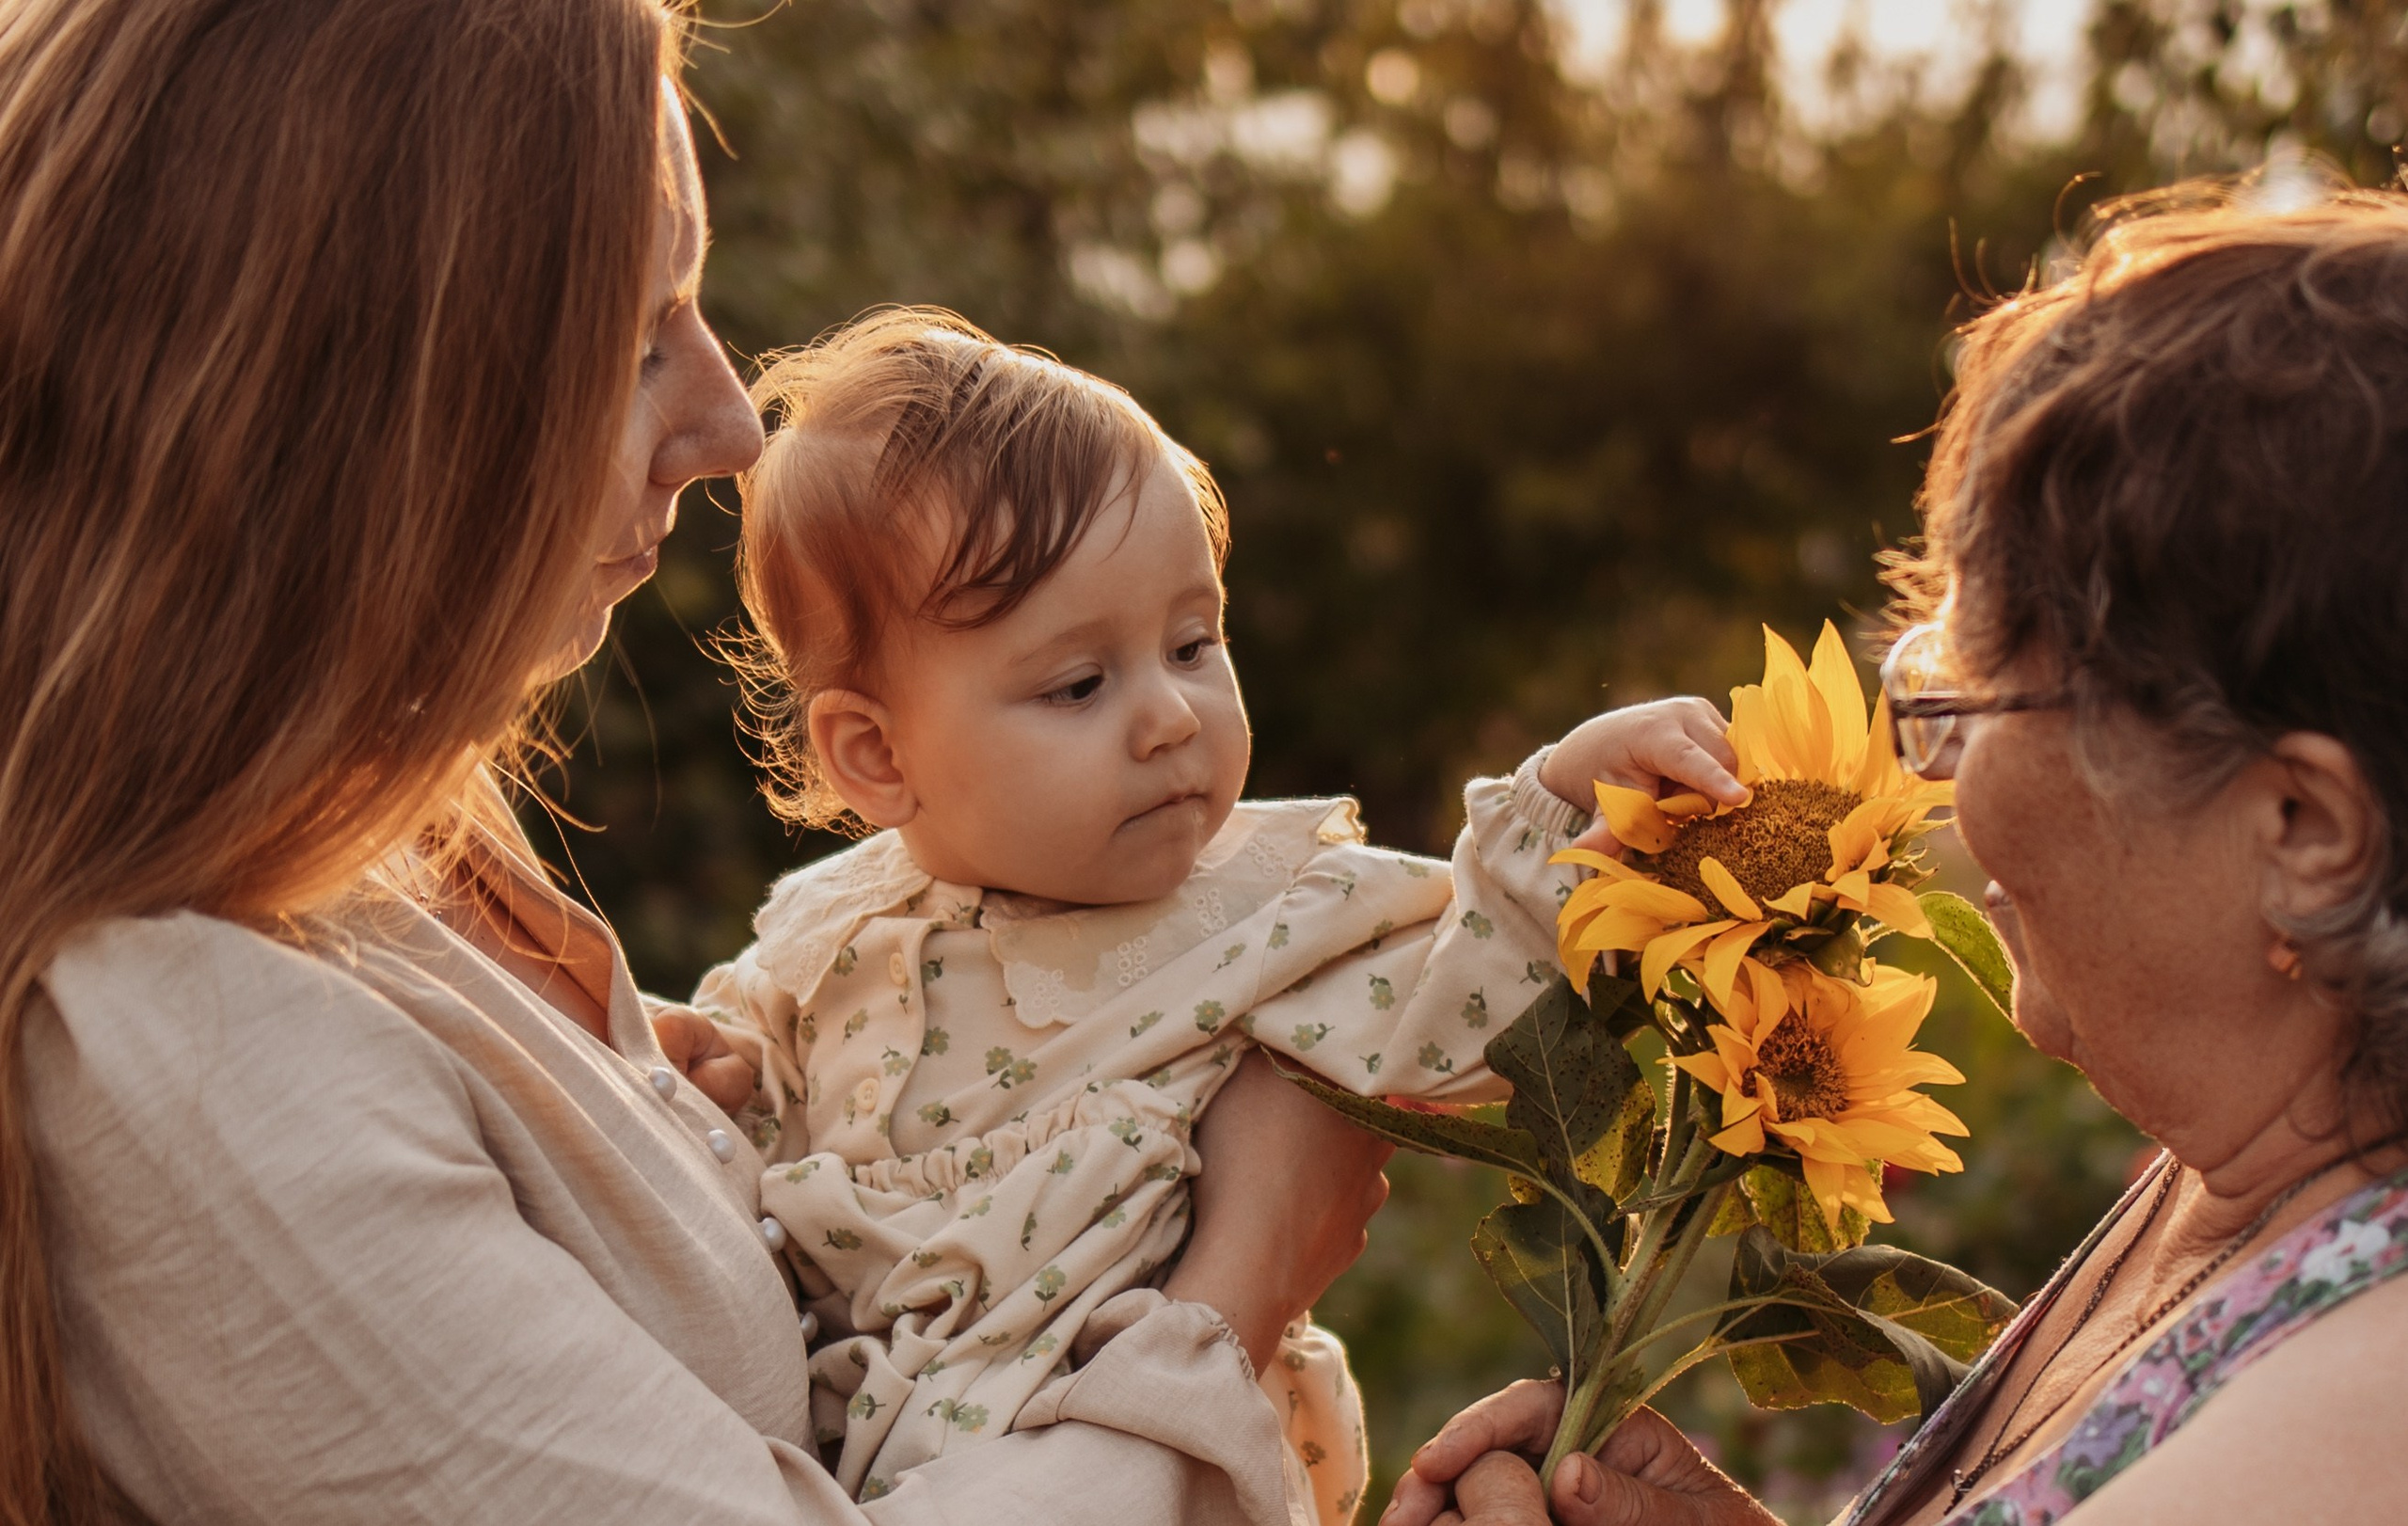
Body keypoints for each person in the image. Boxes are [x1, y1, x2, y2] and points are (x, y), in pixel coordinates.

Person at [1, 3, 1401, 1520]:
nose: (733, 424)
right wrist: (1241, 1279)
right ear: (351, 414)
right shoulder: (185, 1034)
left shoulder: (381, 848)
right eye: (636, 342)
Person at [1390, 186, 2408, 1526]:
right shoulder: (2246, 1178)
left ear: (2303, 831)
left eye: (1976, 694)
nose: (1929, 775)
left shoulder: (2362, 1415)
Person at [677, 309, 1752, 1522]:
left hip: (1157, 1470)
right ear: (877, 755)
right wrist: (705, 1070)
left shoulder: (1265, 917)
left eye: (1193, 644)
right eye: (1080, 684)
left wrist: (1564, 803)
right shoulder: (826, 938)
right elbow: (731, 1120)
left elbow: (1468, 1007)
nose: (1172, 716)